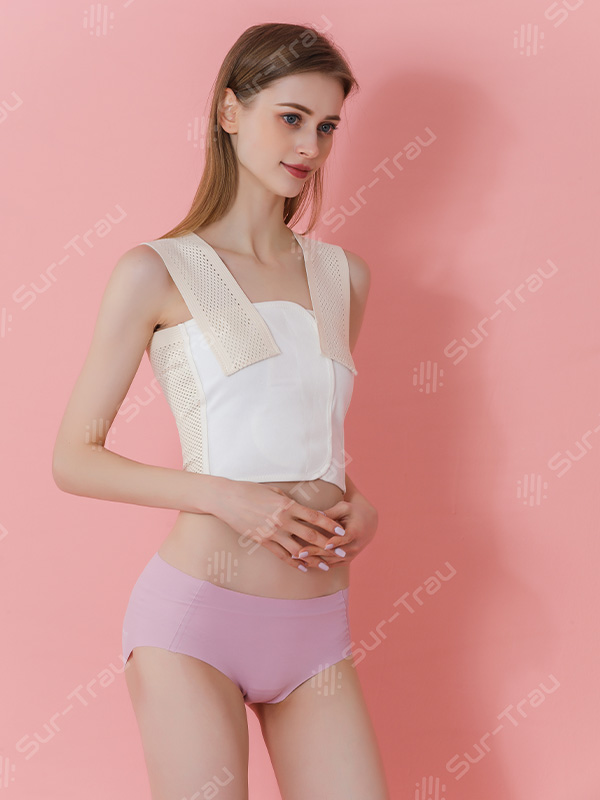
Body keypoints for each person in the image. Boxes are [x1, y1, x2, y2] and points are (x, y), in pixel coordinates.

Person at [52, 21, 390, 800]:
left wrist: (360, 503)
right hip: (195, 622)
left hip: (318, 630)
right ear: (231, 111)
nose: (309, 145)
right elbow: (74, 457)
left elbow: (304, 432)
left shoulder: (345, 277)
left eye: (327, 126)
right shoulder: (157, 270)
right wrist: (224, 497)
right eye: (290, 117)